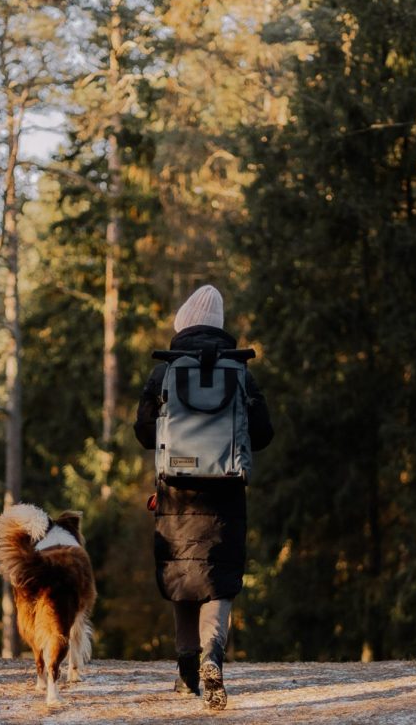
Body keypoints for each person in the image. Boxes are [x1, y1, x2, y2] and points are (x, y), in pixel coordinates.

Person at [134, 284, 274, 711]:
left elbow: (142, 432)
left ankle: (185, 671)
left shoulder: (164, 373)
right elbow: (264, 432)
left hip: (176, 491)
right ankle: (213, 656)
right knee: (218, 579)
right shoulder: (241, 372)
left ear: (182, 323)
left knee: (182, 576)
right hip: (227, 490)